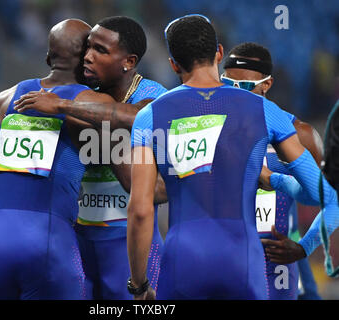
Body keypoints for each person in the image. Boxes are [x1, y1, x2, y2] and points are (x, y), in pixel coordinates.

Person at [0, 16, 168, 300]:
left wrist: (65, 105)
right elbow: (48, 166)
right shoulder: (83, 92)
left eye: (100, 50)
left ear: (129, 62)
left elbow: (141, 120)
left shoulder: (151, 94)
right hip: (75, 241)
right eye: (87, 48)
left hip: (125, 243)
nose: (88, 57)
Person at [127, 14, 325, 300]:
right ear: (219, 53)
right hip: (243, 261)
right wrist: (274, 180)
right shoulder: (266, 111)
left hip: (183, 260)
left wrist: (140, 284)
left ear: (173, 64)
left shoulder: (149, 117)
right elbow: (319, 192)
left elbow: (141, 210)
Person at [0, 19, 123, 299]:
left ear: (49, 57)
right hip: (50, 244)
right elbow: (135, 130)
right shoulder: (93, 105)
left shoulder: (3, 101)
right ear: (87, 57)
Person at [221, 42, 322, 299]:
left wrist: (303, 248)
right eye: (227, 84)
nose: (235, 93)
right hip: (221, 260)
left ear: (266, 84)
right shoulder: (210, 127)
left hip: (273, 267)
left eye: (244, 87)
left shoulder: (302, 134)